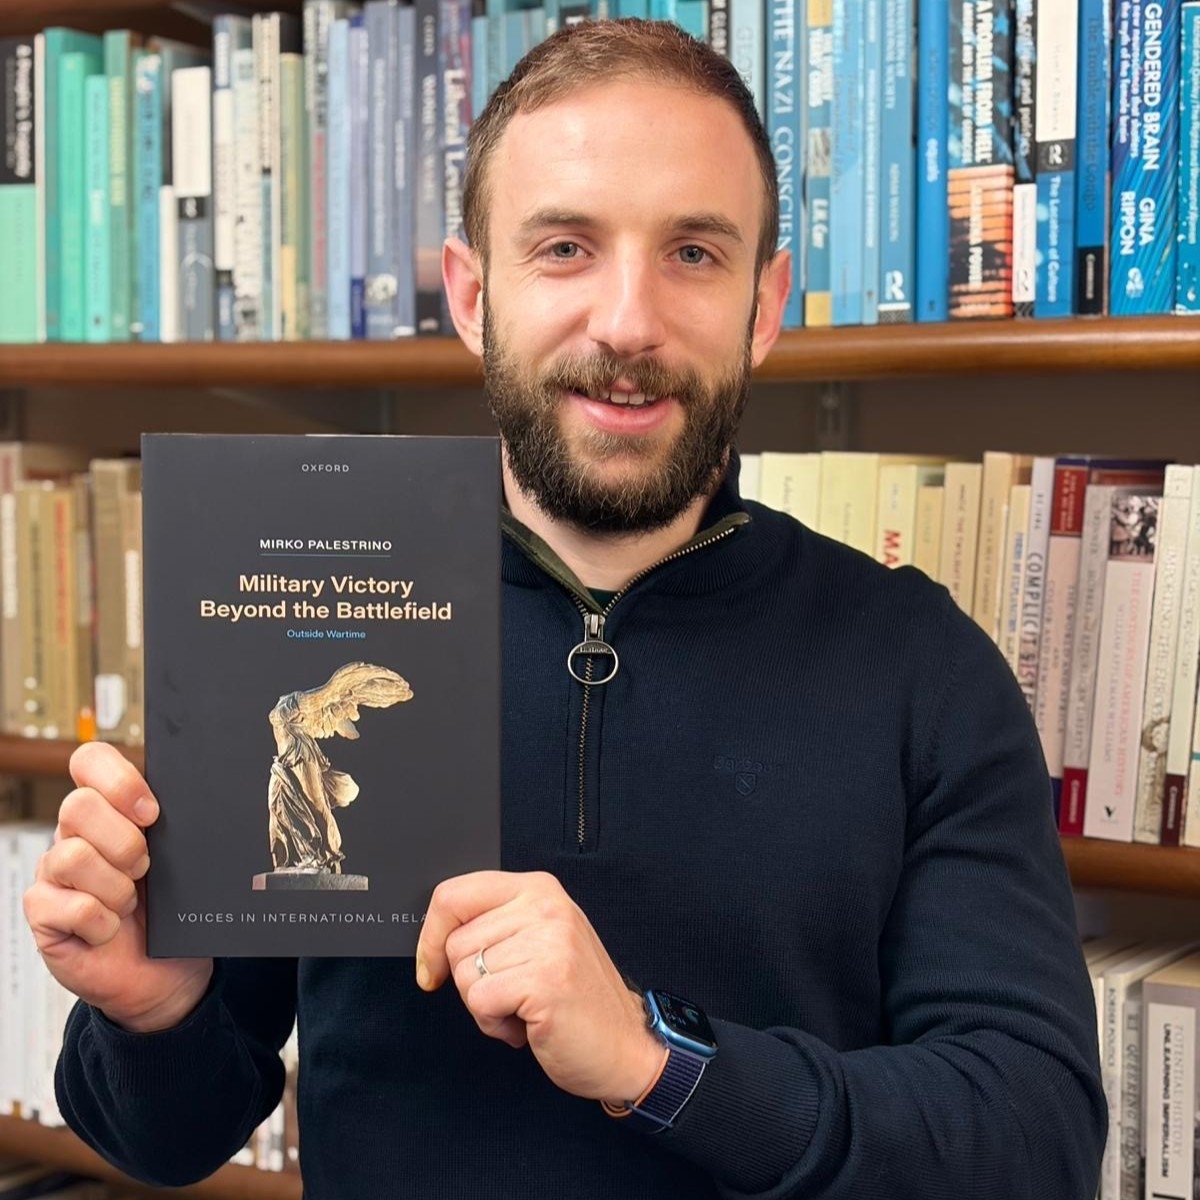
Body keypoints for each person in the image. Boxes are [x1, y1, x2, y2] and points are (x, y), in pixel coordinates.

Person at [24, 19, 1106, 1198]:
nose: (628, 323)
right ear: (473, 293)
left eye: (694, 252)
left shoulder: (920, 665)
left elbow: (1033, 1139)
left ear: (764, 304)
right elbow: (166, 1141)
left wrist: (656, 1060)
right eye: (565, 248)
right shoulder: (316, 618)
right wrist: (152, 1012)